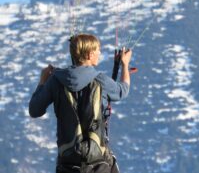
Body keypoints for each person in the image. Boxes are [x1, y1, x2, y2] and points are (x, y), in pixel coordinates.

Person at [29, 34, 132, 173]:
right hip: (98, 163)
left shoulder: (56, 80)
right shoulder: (100, 80)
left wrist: (42, 81)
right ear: (89, 55)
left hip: (68, 163)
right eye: (97, 50)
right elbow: (122, 91)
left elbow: (34, 110)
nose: (100, 53)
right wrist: (125, 65)